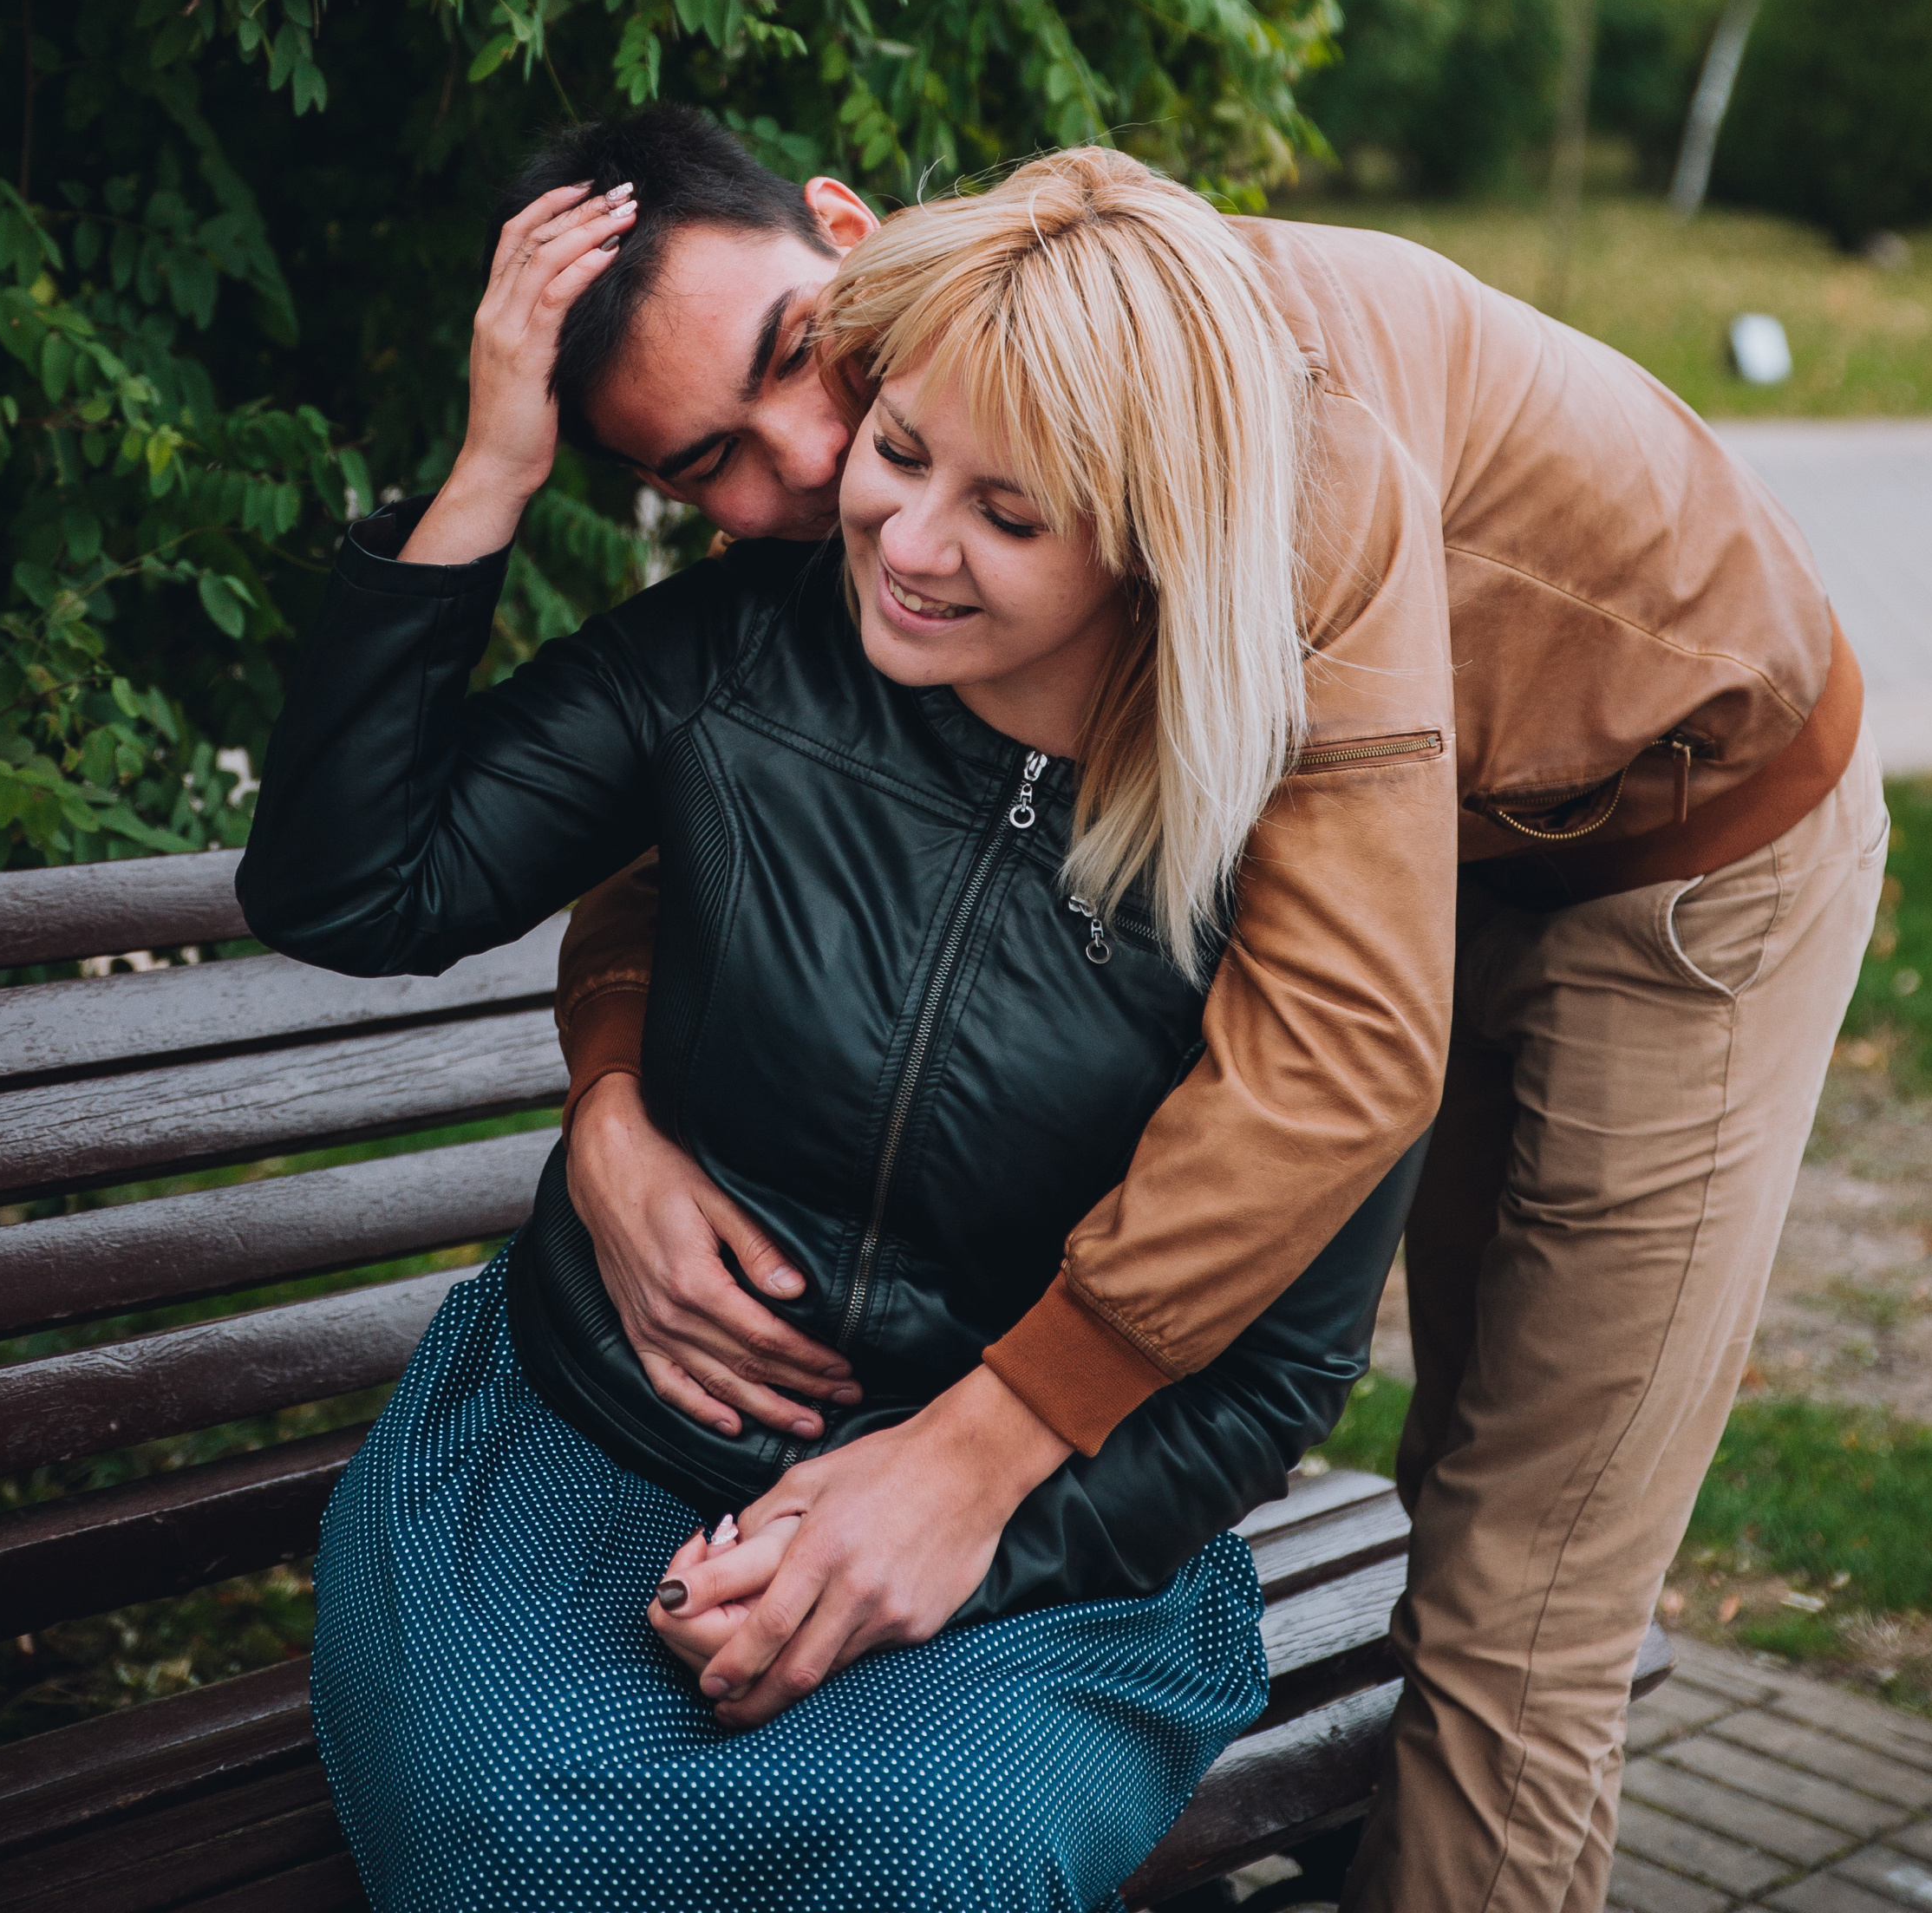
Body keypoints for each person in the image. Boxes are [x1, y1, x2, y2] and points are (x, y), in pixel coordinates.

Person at [520, 108, 1882, 1913]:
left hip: (1679, 844)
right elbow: (704, 795)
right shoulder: (927, 428)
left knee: (1519, 1582)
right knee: (1452, 1478)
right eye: (716, 463)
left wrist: (977, 1452)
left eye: (794, 359)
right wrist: (607, 1102)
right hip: (1451, 832)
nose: (814, 462)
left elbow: (1344, 1048)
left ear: (848, 236)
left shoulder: (1259, 428)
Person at [237, 151, 1426, 1913]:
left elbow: (1269, 1370)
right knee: (529, 1832)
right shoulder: (730, 659)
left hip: (1035, 1553)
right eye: (899, 453)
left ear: (1148, 529)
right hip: (588, 1445)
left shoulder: (1287, 842)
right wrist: (494, 461)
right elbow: (351, 890)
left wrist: (930, 1538)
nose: (882, 523)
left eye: (1010, 518)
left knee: (921, 1862)